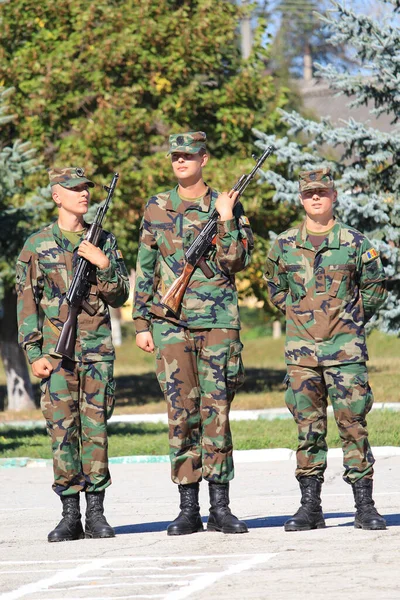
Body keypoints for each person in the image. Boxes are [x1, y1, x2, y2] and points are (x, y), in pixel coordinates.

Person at [133, 131, 252, 535]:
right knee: (180, 414)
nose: (180, 162)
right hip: (170, 326)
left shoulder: (226, 204)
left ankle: (220, 506)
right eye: (174, 156)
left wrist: (226, 218)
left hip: (218, 323)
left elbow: (235, 262)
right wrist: (141, 322)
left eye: (187, 155)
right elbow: (145, 266)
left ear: (204, 158)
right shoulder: (157, 207)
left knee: (216, 412)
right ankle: (188, 507)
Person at [264, 167, 388, 532]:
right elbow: (275, 288)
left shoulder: (354, 242)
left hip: (345, 353)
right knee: (308, 429)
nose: (315, 198)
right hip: (301, 355)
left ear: (334, 196)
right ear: (301, 198)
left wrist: (348, 317)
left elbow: (375, 287)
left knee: (353, 425)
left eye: (321, 192)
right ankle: (310, 507)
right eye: (308, 193)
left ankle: (364, 506)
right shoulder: (285, 244)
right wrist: (300, 312)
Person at [16, 167, 130, 542]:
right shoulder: (37, 245)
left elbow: (119, 296)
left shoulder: (104, 241)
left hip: (96, 352)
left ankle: (96, 513)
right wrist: (34, 352)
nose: (83, 194)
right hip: (56, 353)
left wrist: (102, 263)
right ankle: (69, 515)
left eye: (86, 189)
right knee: (62, 432)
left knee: (95, 431)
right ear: (56, 195)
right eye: (75, 189)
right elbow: (27, 302)